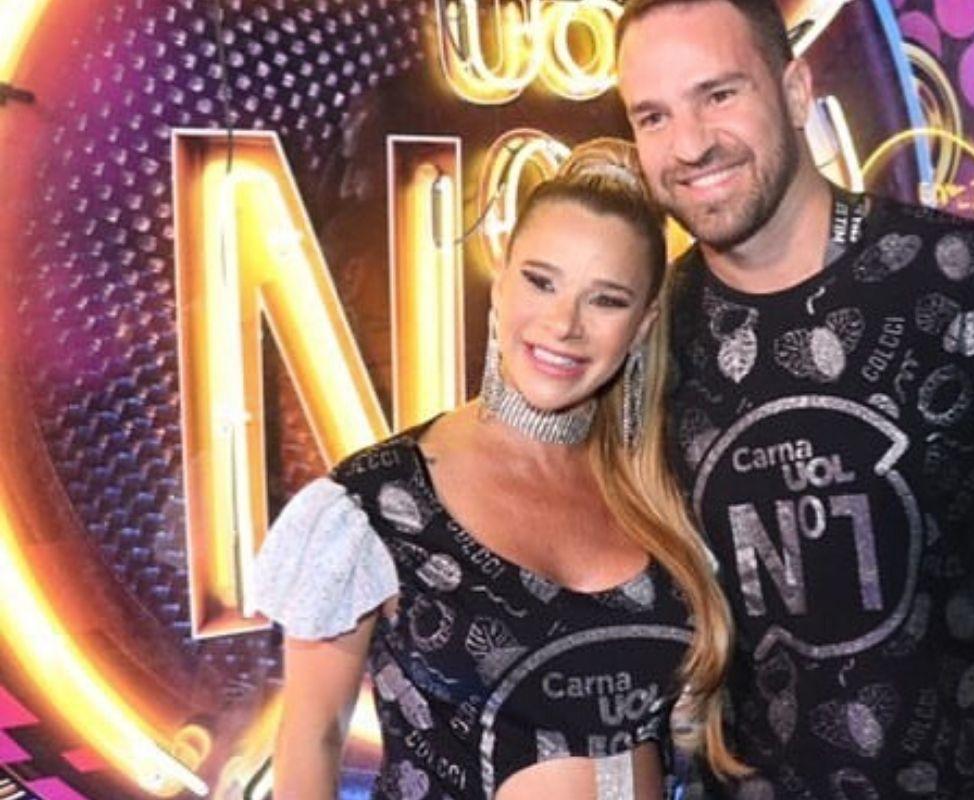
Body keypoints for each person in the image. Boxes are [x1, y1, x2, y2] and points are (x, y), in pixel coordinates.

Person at [614, 1, 974, 797]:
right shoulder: (648, 341)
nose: (689, 144)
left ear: (796, 91)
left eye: (719, 94)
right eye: (653, 116)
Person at [250, 139, 745, 799]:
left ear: (643, 323)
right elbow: (310, 742)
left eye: (606, 300)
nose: (564, 324)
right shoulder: (377, 501)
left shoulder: (657, 493)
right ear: (501, 280)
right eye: (541, 281)